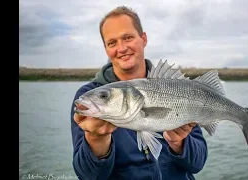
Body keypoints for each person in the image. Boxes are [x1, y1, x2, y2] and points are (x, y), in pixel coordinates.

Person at [70, 6, 208, 180]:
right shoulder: (87, 97)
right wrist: (96, 140)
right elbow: (88, 176)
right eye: (112, 43)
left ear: (143, 39)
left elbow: (198, 164)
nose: (121, 48)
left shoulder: (179, 89)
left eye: (127, 38)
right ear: (106, 49)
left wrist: (179, 142)